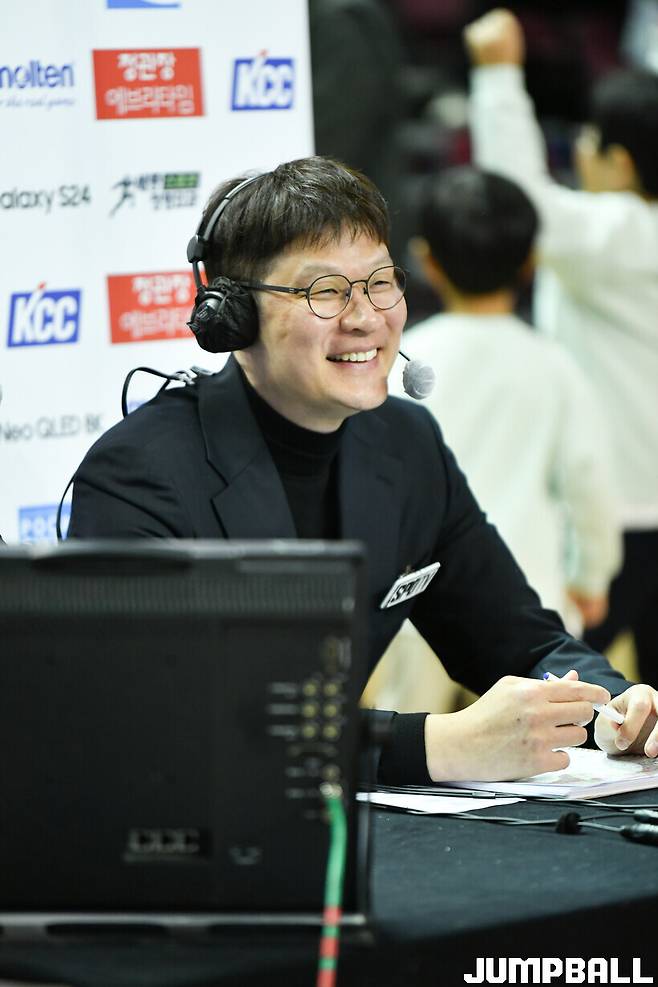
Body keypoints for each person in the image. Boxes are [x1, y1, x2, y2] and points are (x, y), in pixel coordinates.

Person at [68, 156, 658, 784]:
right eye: (325, 291)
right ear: (232, 314)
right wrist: (433, 744)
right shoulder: (140, 474)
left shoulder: (405, 442)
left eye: (380, 282)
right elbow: (160, 720)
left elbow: (521, 638)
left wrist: (615, 709)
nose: (366, 317)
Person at [464, 8, 658, 686]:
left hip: (623, 510)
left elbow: (518, 202)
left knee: (568, 693)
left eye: (589, 139)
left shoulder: (621, 234)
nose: (579, 150)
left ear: (620, 160)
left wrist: (497, 77)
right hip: (634, 505)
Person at [396, 165, 621, 633]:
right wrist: (591, 578)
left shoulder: (403, 362)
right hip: (530, 598)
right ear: (531, 263)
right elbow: (589, 483)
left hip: (416, 605)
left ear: (427, 260)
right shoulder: (555, 365)